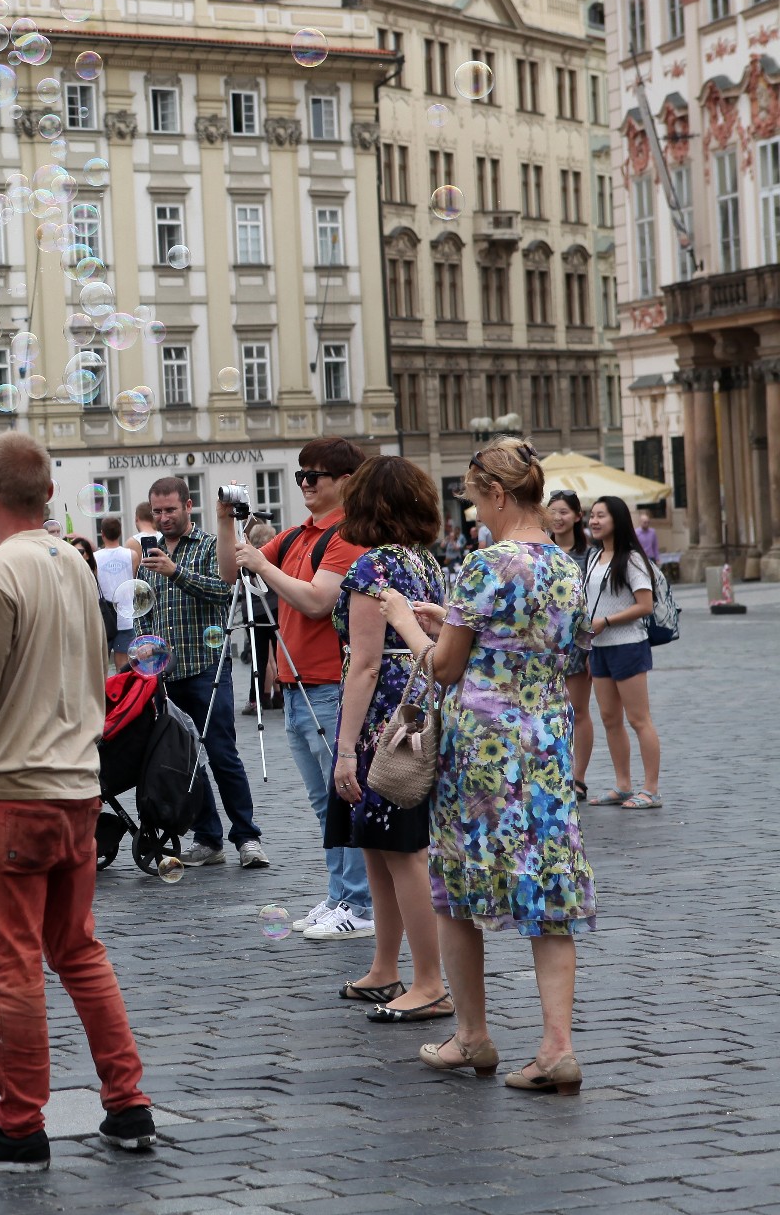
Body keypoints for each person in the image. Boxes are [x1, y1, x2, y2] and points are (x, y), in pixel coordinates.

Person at [0, 433, 155, 1171]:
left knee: (12, 961)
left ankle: (19, 1125)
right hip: (79, 787)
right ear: (47, 496)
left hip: (13, 793)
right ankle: (128, 1103)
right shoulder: (72, 562)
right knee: (78, 948)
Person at [379, 437, 592, 1097]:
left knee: (458, 889)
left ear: (497, 494)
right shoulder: (565, 564)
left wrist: (404, 621)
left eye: (475, 498)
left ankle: (472, 1035)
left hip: (483, 749)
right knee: (548, 887)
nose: (474, 511)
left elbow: (443, 666)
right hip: (546, 739)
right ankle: (557, 1046)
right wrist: (454, 622)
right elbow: (548, 648)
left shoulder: (483, 563)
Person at [324, 457, 451, 1021]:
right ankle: (386, 968)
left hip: (384, 724)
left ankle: (429, 981)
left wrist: (347, 747)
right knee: (377, 846)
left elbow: (365, 664)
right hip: (418, 712)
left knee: (402, 852)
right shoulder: (425, 560)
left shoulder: (373, 566)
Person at [230, 438, 367, 929]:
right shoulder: (295, 535)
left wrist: (263, 566)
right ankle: (340, 895)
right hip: (296, 687)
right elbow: (232, 571)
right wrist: (230, 521)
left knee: (343, 798)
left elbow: (317, 602)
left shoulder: (348, 536)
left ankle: (359, 903)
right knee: (322, 802)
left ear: (346, 482)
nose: (306, 483)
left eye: (317, 475)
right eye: (300, 475)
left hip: (330, 685)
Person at [141, 476, 266, 871]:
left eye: (170, 510)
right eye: (157, 511)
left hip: (206, 667)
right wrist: (143, 647)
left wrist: (176, 572)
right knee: (184, 760)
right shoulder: (150, 553)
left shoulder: (213, 544)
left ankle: (247, 838)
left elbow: (225, 590)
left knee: (222, 753)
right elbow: (145, 606)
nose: (163, 518)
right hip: (165, 673)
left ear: (188, 506)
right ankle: (208, 838)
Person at [583, 496, 663, 810]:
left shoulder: (631, 559)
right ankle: (623, 785)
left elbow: (645, 605)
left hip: (628, 645)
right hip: (599, 648)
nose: (594, 521)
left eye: (601, 515)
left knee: (639, 719)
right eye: (591, 515)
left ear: (617, 519)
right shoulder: (594, 558)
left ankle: (652, 789)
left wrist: (606, 621)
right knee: (609, 718)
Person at [545, 491, 596, 801]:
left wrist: (590, 648)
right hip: (546, 643)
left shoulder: (588, 556)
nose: (558, 518)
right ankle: (556, 773)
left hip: (576, 643)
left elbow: (589, 605)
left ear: (578, 516)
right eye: (553, 512)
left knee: (578, 711)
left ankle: (579, 777)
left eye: (564, 511)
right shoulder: (542, 551)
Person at [238, 520, 280, 717]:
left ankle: (256, 700)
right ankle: (283, 696)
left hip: (252, 611)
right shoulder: (268, 558)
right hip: (273, 608)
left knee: (258, 657)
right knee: (279, 655)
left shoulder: (246, 557)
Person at [92, 518, 136, 670]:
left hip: (104, 617)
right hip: (127, 614)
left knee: (101, 664)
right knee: (123, 664)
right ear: (120, 532)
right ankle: (123, 693)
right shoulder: (132, 555)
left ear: (102, 533)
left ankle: (105, 693)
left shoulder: (95, 557)